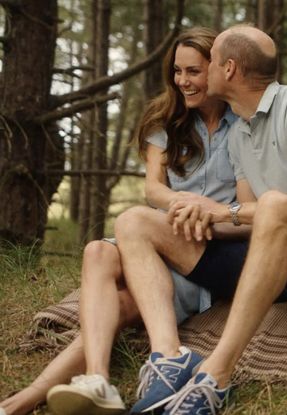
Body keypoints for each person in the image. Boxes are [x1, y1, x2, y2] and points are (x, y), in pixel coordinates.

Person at [114, 25, 287, 414]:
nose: (201, 72)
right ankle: (168, 358)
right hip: (267, 258)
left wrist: (221, 210)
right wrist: (197, 220)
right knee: (136, 220)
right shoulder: (240, 132)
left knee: (274, 204)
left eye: (211, 62)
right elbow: (246, 220)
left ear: (229, 69)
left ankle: (215, 378)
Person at [0, 27, 250, 415]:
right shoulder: (166, 119)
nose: (183, 81)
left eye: (194, 72)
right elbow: (153, 189)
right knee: (98, 251)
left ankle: (39, 389)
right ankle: (98, 379)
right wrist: (187, 203)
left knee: (122, 304)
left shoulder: (244, 125)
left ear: (218, 71)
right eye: (177, 71)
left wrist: (207, 214)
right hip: (157, 232)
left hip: (203, 249)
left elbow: (245, 205)